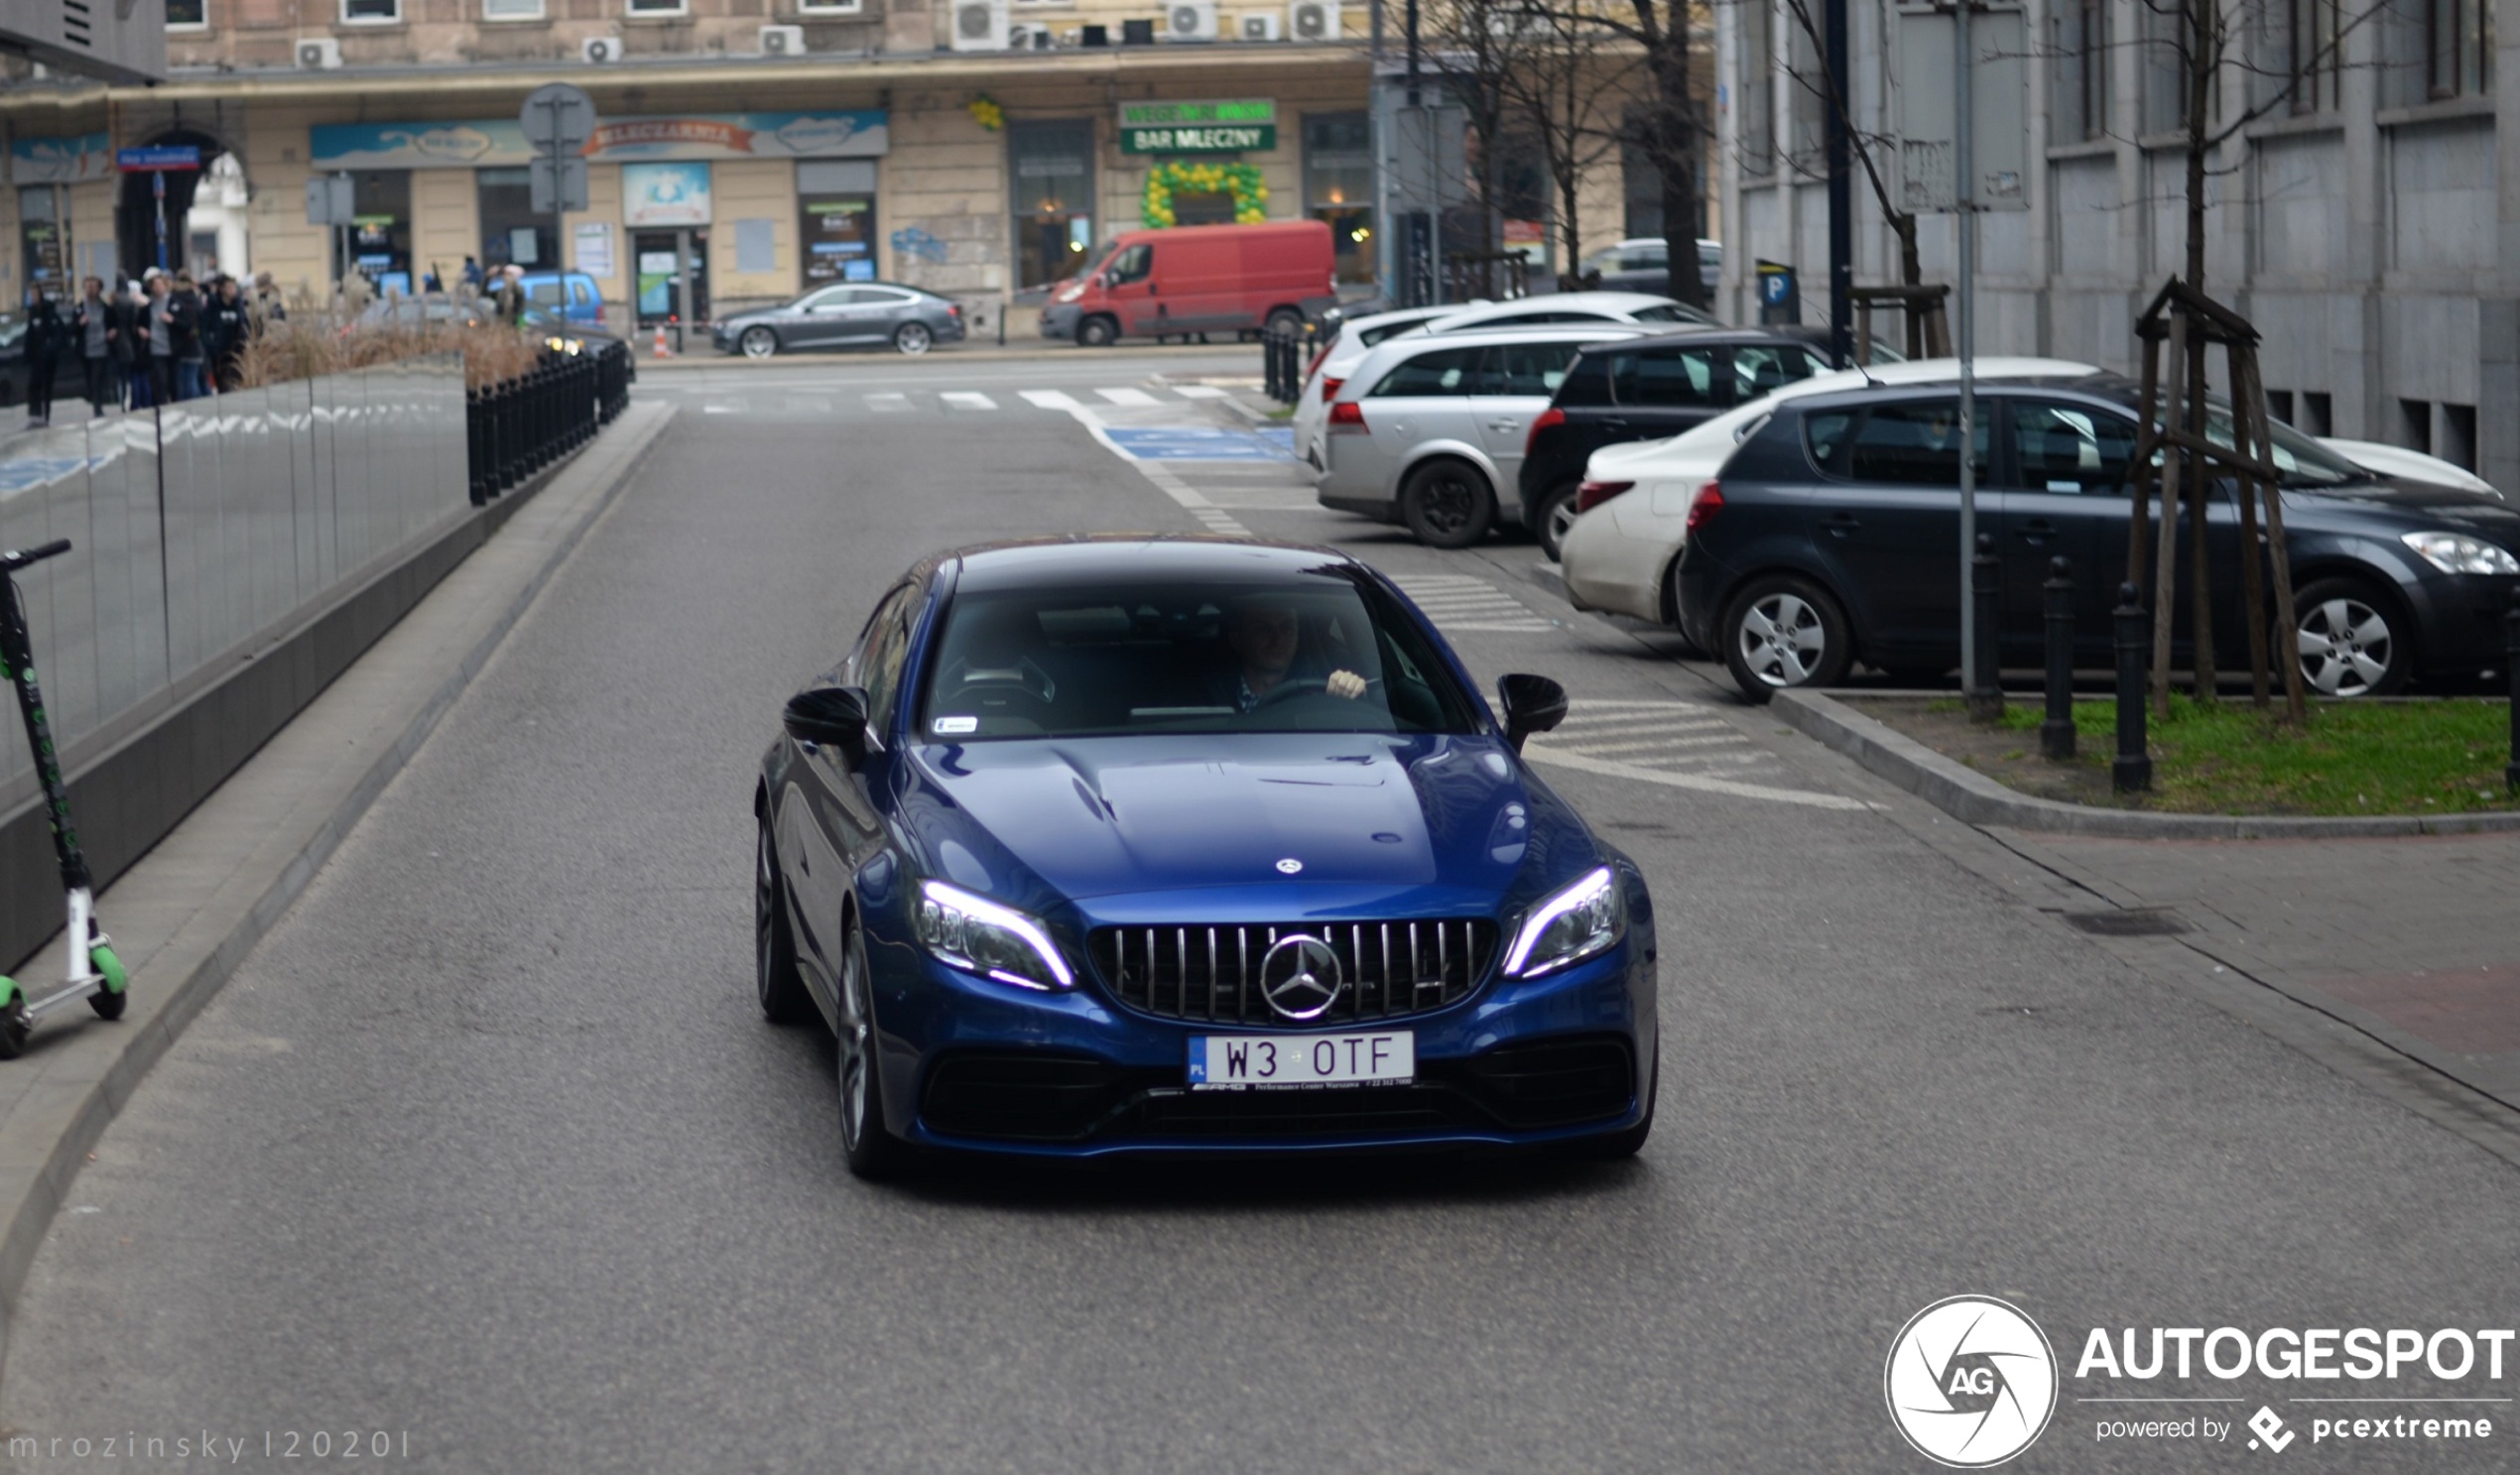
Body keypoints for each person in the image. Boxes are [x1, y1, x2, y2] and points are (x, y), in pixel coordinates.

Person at [1207, 594, 1367, 713]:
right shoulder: (1204, 694)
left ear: (1298, 636)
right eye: (1264, 629)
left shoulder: (1322, 689)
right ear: (1237, 640)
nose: (1278, 639)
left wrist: (1350, 690)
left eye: (1287, 628)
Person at [73, 277, 115, 415]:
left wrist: (112, 332)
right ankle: (95, 400)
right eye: (87, 287)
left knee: (97, 378)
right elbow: (72, 329)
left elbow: (114, 324)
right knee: (90, 380)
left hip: (101, 348)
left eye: (93, 287)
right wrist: (80, 323)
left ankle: (98, 407)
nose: (90, 290)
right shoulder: (80, 308)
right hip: (86, 350)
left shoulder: (105, 307)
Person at [22, 289, 63, 428]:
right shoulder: (32, 313)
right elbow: (30, 334)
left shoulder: (49, 313)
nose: (32, 298)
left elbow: (58, 334)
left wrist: (49, 349)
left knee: (46, 388)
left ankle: (45, 416)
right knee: (34, 386)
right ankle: (35, 414)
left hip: (48, 358)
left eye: (34, 295)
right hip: (36, 357)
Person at [201, 276, 249, 391]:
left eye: (234, 287)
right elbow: (205, 327)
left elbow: (244, 325)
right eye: (229, 287)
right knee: (222, 384)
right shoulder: (213, 305)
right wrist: (211, 345)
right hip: (219, 352)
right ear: (222, 289)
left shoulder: (238, 305)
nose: (232, 290)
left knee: (235, 382)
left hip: (236, 352)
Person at [168, 273, 207, 402]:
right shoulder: (195, 299)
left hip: (182, 347)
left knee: (186, 382)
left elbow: (187, 324)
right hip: (195, 346)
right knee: (191, 379)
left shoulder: (176, 299)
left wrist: (172, 320)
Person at [142, 271, 174, 407]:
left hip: (171, 347)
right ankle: (162, 405)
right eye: (155, 285)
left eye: (160, 285)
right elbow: (140, 323)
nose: (158, 288)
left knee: (172, 382)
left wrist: (172, 320)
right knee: (159, 381)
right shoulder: (148, 306)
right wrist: (141, 330)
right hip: (155, 348)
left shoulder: (172, 302)